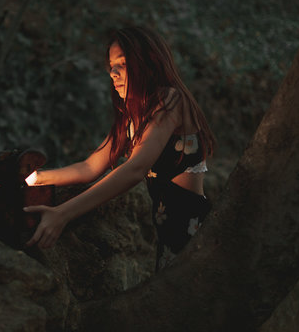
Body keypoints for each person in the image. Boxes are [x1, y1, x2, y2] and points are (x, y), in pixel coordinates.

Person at [24, 26, 215, 271]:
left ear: (149, 62)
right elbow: (89, 167)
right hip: (167, 236)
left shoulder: (170, 100)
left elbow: (136, 168)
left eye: (123, 64)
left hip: (194, 232)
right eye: (111, 67)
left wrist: (63, 213)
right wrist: (34, 178)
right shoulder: (132, 119)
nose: (114, 73)